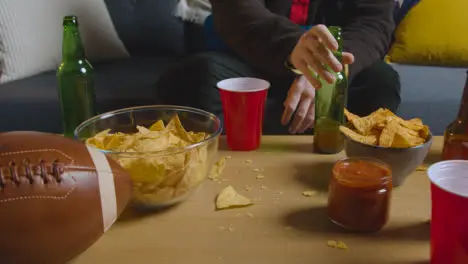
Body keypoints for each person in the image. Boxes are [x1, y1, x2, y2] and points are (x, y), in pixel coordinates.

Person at [155, 0, 401, 135]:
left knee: (380, 82)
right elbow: (237, 12)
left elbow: (374, 24)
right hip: (255, 58)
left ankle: (349, 172)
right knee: (199, 76)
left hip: (334, 69)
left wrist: (325, 67)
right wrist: (297, 50)